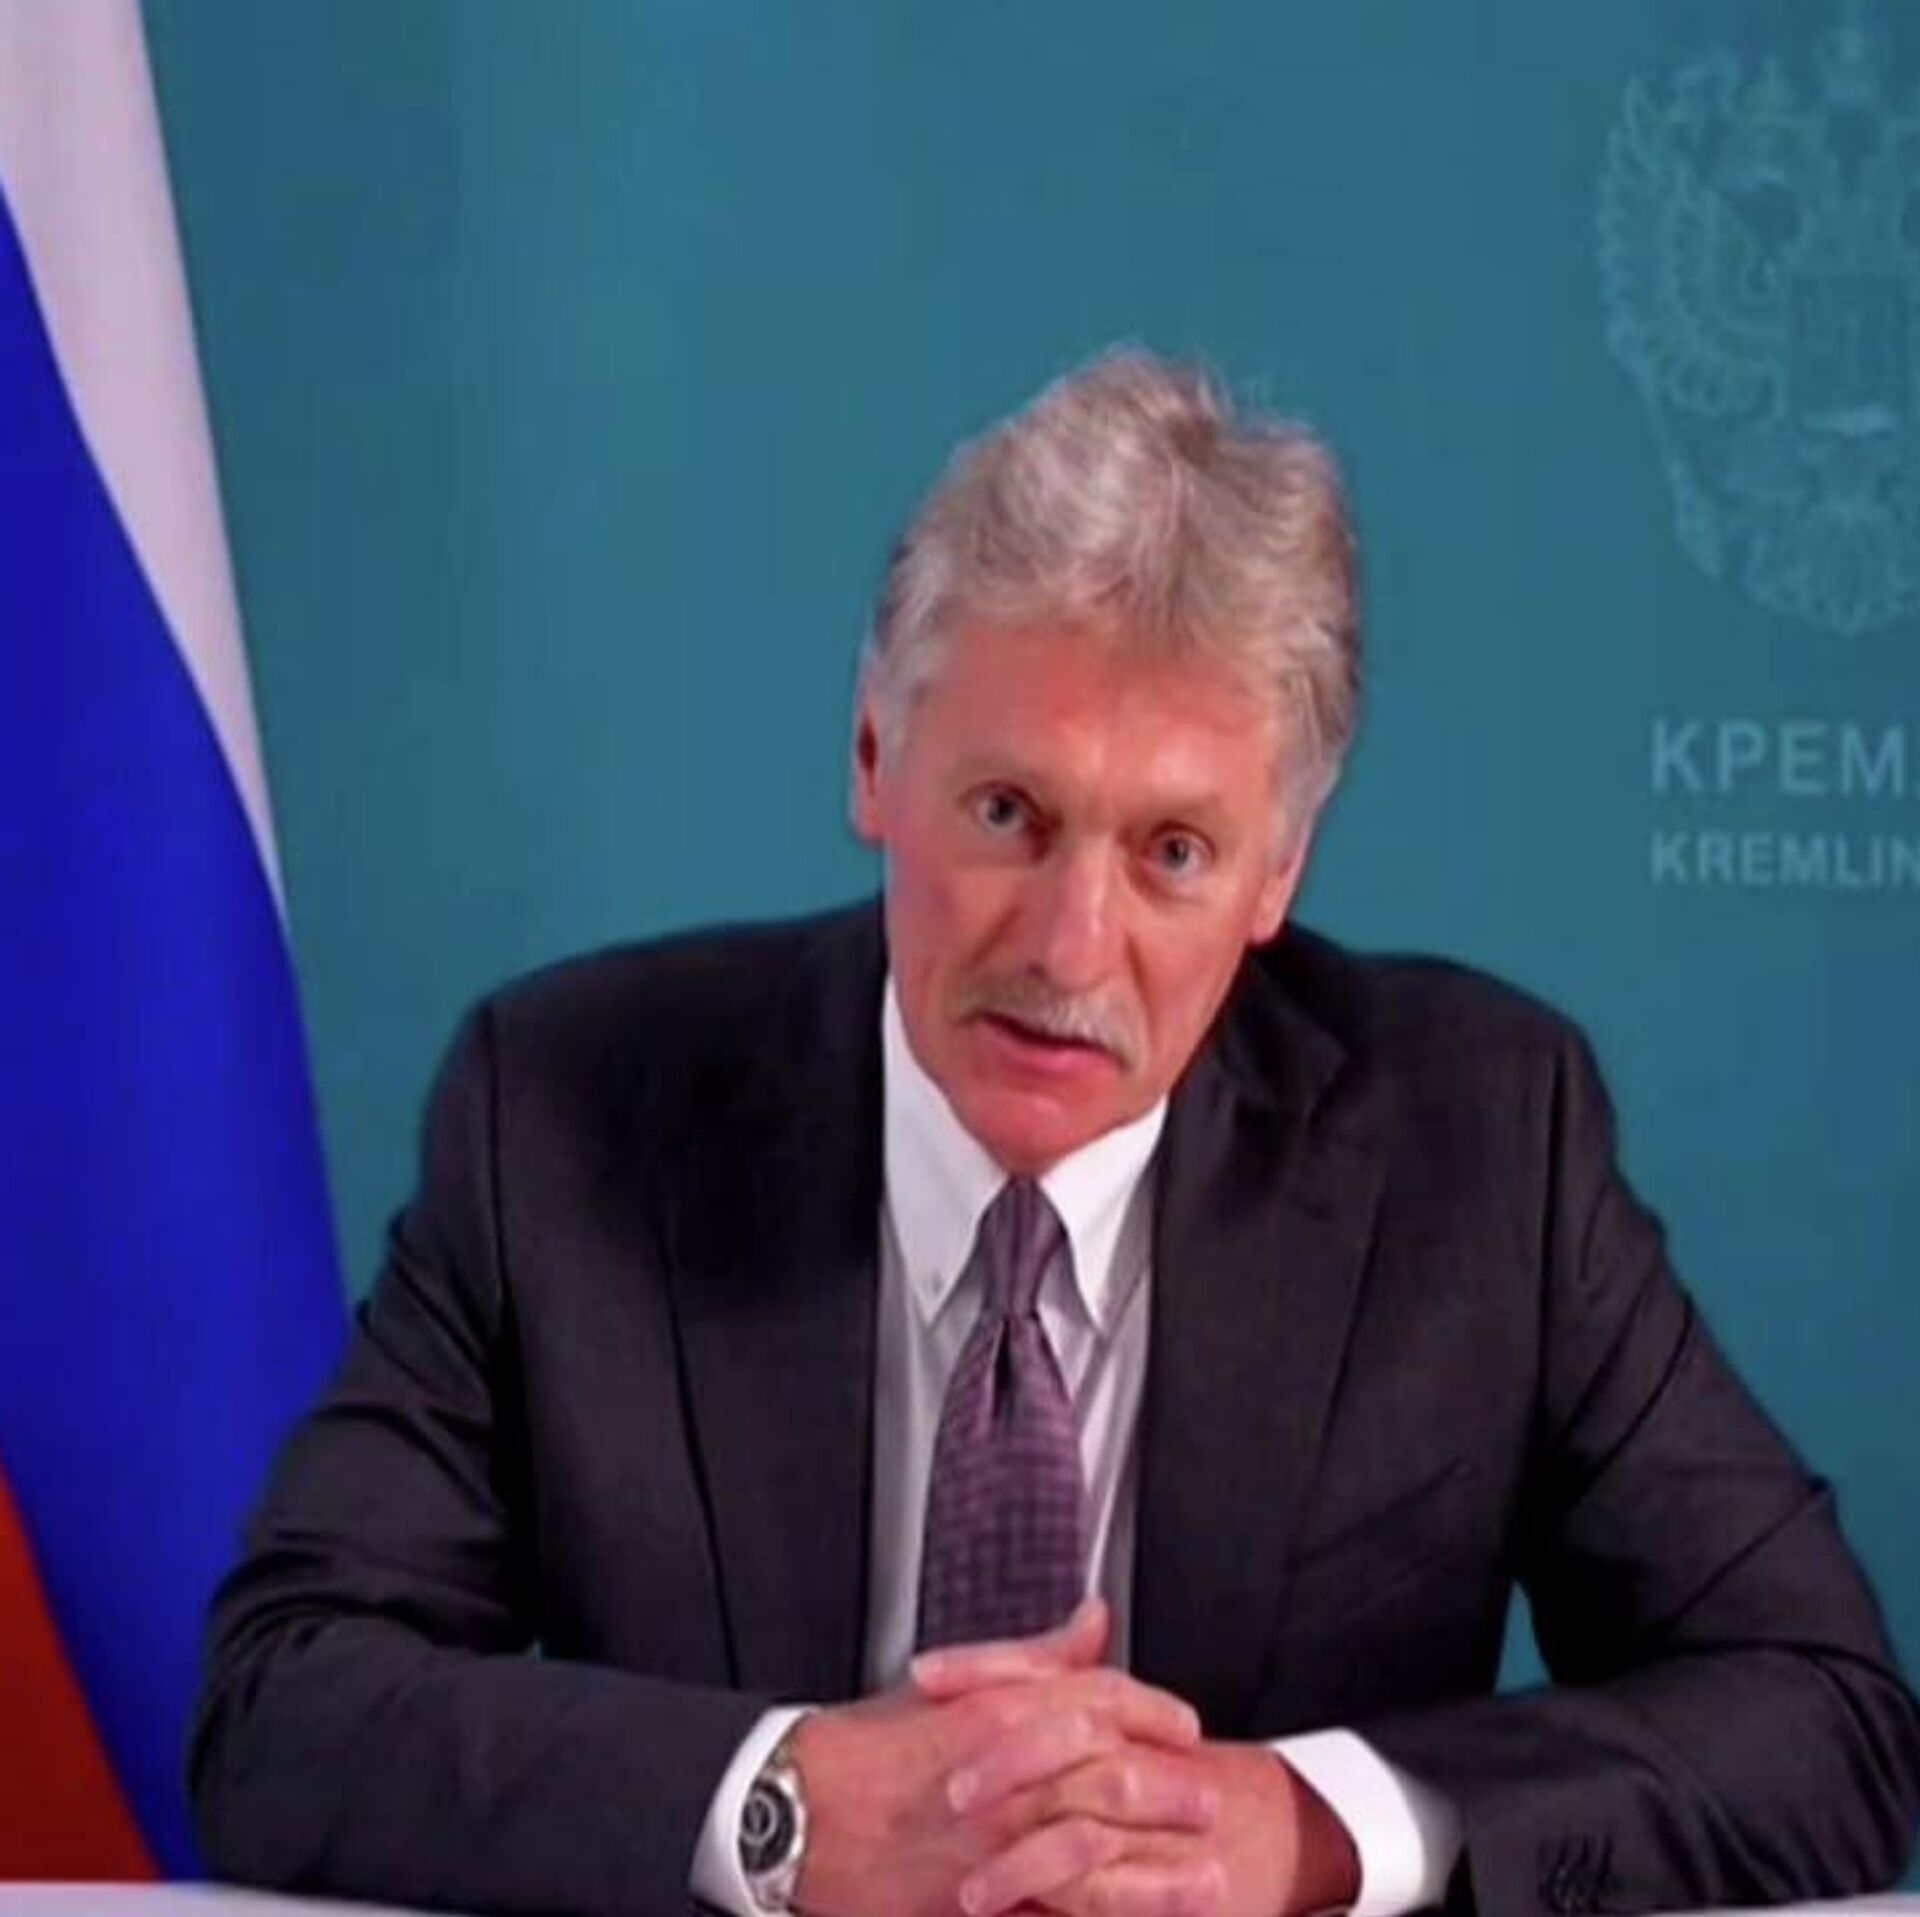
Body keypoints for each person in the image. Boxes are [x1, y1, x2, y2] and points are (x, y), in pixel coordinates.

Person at [188, 350, 1920, 1917]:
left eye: (1173, 852)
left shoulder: (1481, 1147)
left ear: (1276, 874)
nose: (1072, 950)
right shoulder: (570, 1111)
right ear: (875, 756)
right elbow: (280, 1700)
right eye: (1012, 812)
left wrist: (1312, 1827)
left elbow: (1826, 1715)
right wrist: (782, 1808)